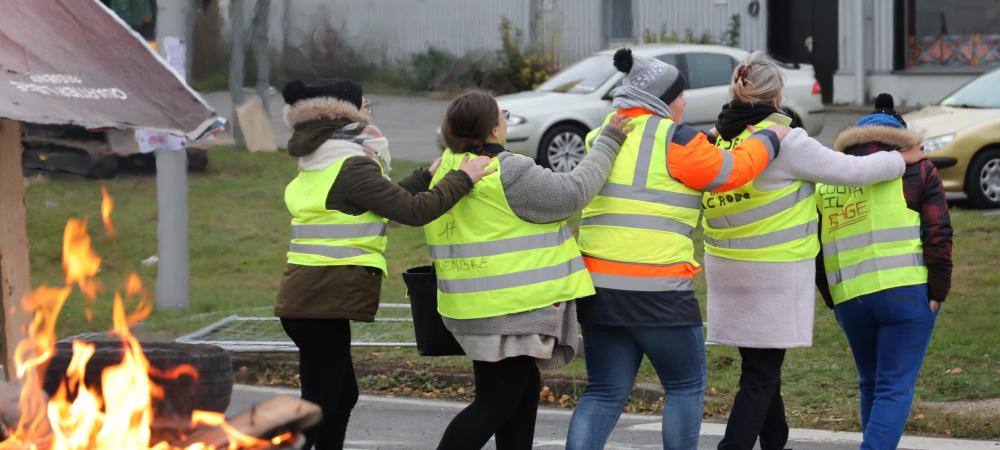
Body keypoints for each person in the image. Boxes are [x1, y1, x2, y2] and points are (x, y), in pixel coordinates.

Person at [565, 48, 790, 450]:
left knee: (603, 392)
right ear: (662, 100)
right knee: (685, 386)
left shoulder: (601, 135)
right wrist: (771, 137)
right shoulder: (676, 138)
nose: (684, 102)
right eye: (679, 95)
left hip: (599, 289)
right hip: (657, 292)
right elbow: (731, 172)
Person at [703, 54, 925, 450]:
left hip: (727, 270)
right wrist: (898, 159)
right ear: (777, 96)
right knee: (759, 376)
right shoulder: (786, 141)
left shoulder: (720, 137)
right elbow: (851, 171)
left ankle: (777, 439)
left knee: (761, 367)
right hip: (770, 272)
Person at [274, 79, 492, 450]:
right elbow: (413, 211)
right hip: (318, 301)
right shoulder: (350, 166)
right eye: (366, 103)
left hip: (311, 299)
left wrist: (426, 176)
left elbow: (381, 204)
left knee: (339, 396)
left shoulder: (325, 158)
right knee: (324, 402)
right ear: (349, 112)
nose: (371, 110)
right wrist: (462, 178)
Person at [427, 90, 633, 450]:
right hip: (508, 310)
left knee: (519, 400)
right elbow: (573, 192)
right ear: (492, 130)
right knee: (497, 404)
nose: (506, 120)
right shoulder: (506, 172)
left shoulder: (447, 167)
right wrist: (610, 140)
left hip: (474, 306)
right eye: (502, 115)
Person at [814, 94, 954, 450]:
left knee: (872, 383)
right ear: (902, 139)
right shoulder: (918, 169)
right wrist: (938, 292)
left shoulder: (830, 175)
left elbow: (816, 241)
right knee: (893, 386)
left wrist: (832, 296)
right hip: (905, 292)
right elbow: (938, 233)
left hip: (850, 297)